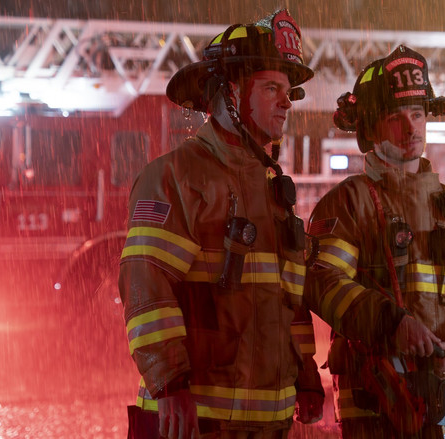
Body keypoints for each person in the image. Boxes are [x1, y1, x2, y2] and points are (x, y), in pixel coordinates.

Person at [118, 9, 324, 439]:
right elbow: (147, 283)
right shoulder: (176, 176)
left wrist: (306, 377)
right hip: (195, 423)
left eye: (288, 91)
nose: (287, 102)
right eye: (272, 88)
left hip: (269, 424)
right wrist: (169, 383)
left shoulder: (273, 191)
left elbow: (291, 301)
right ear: (230, 93)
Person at [304, 45, 445, 439]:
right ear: (369, 131)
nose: (411, 129)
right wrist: (392, 325)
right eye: (396, 119)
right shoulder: (350, 203)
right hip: (381, 408)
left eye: (417, 114)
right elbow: (322, 282)